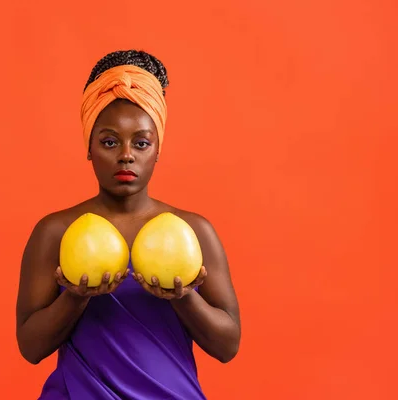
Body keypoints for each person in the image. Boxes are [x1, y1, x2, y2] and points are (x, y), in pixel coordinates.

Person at [15, 50, 241, 400]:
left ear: (157, 148)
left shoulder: (192, 230)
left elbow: (228, 346)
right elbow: (30, 348)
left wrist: (184, 298)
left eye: (141, 142)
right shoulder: (56, 231)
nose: (126, 155)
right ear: (89, 147)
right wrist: (75, 298)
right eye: (109, 142)